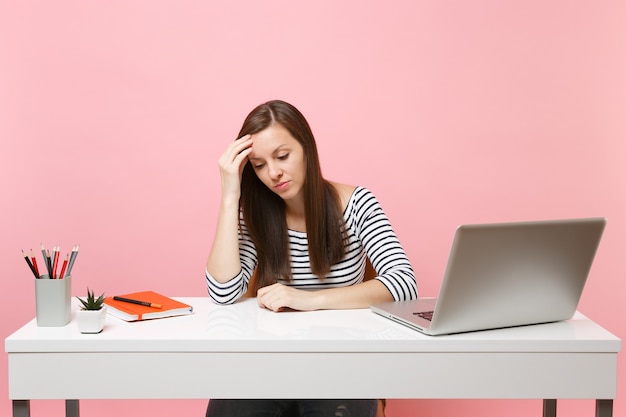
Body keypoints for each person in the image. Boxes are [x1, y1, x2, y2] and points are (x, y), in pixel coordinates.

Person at [205, 100, 418, 417]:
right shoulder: (254, 215)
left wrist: (310, 300)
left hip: (340, 364)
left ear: (306, 149)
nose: (273, 173)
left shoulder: (357, 204)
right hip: (267, 366)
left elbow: (404, 284)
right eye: (259, 165)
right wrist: (229, 196)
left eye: (282, 156)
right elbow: (223, 293)